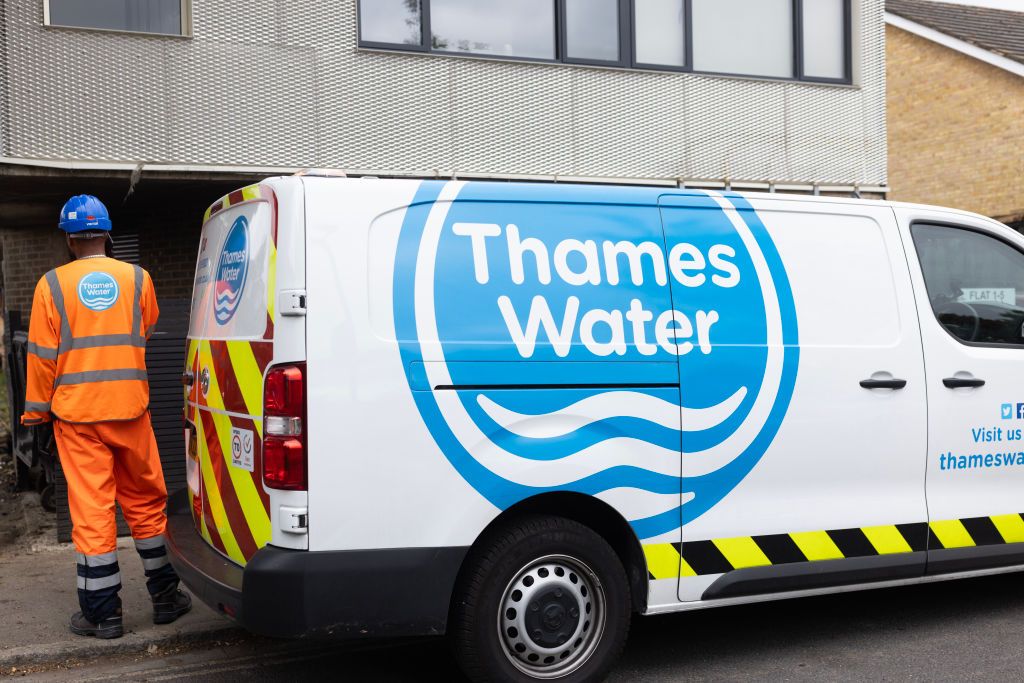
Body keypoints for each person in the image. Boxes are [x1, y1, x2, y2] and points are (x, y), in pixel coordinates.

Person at [21, 194, 191, 639]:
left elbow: (41, 358)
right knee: (146, 503)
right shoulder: (138, 278)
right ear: (106, 234)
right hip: (131, 411)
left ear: (69, 238)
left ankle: (104, 614)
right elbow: (146, 328)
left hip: (77, 419)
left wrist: (36, 417)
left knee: (93, 511)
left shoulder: (50, 286)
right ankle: (166, 598)